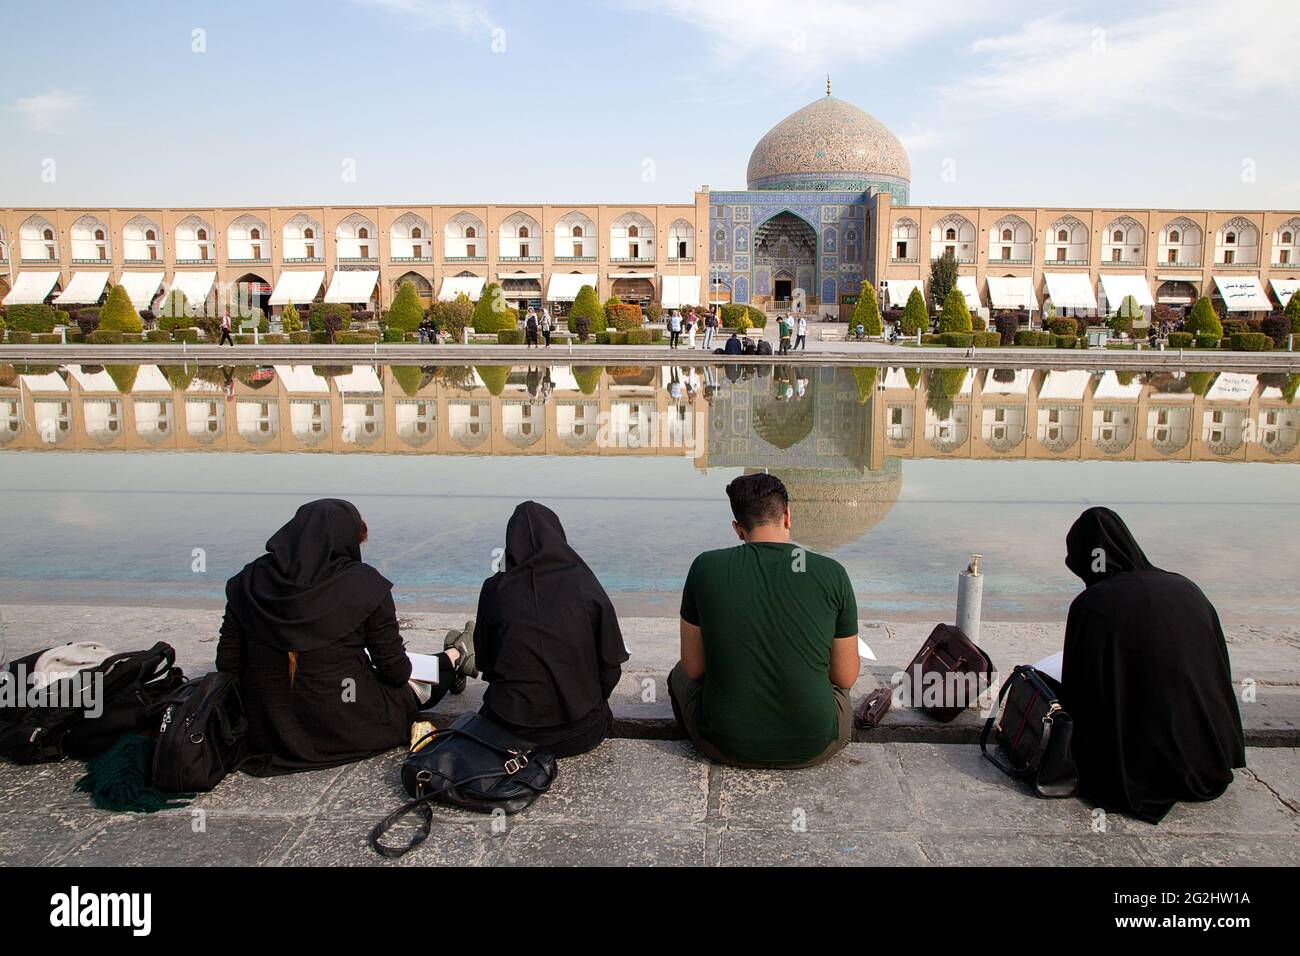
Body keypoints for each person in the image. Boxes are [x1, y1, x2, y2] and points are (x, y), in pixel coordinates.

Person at [216, 499, 474, 774]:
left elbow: (228, 665)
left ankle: (455, 654)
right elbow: (395, 672)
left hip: (269, 730)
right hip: (348, 725)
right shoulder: (364, 584)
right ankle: (456, 656)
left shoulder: (248, 582)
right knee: (421, 684)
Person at [1060, 507, 1246, 823]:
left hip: (1136, 769)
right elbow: (1216, 671)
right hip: (1207, 758)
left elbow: (1081, 695)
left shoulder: (1093, 605)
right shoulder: (1187, 588)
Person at [669, 474, 859, 768]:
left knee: (678, 674)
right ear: (787, 516)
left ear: (737, 529)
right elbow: (845, 677)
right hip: (813, 744)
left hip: (723, 744)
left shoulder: (706, 567)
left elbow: (694, 669)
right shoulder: (831, 573)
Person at [474, 501, 629, 757]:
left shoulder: (495, 590)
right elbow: (611, 667)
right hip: (581, 732)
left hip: (508, 730)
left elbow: (485, 664)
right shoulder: (585, 586)